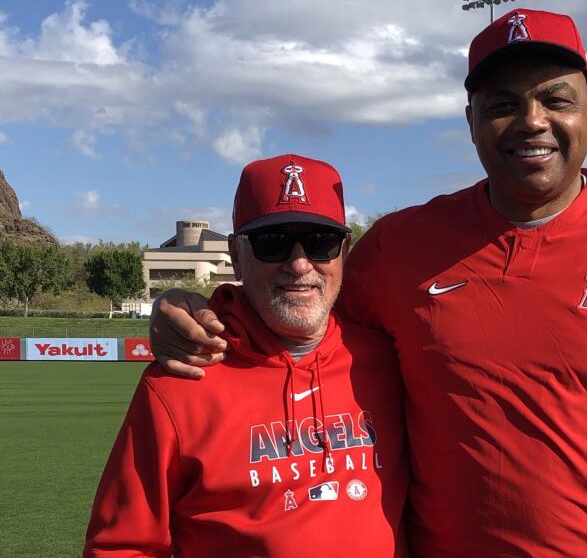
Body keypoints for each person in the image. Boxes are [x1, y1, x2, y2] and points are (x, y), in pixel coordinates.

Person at [149, 9, 587, 557]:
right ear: (471, 119)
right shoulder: (400, 247)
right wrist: (187, 308)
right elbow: (295, 305)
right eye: (503, 105)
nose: (531, 121)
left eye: (555, 99)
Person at [85, 154, 408, 557]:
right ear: (237, 255)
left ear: (344, 251)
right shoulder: (181, 377)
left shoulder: (390, 358)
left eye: (320, 242)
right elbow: (121, 547)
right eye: (271, 243)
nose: (299, 264)